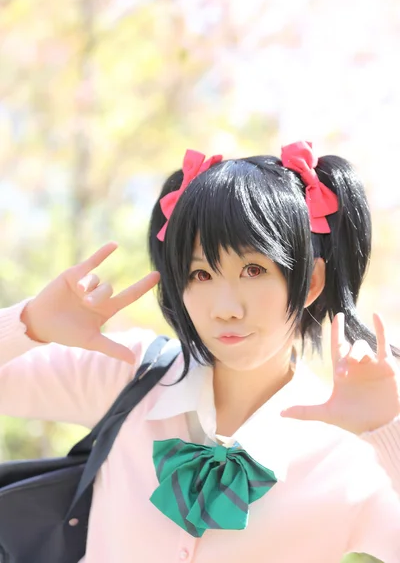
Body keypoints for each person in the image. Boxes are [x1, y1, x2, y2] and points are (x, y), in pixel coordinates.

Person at [0, 141, 399, 563]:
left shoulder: (349, 452)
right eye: (201, 273)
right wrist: (28, 325)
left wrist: (387, 431)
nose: (225, 308)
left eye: (254, 269)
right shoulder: (132, 372)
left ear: (311, 282)